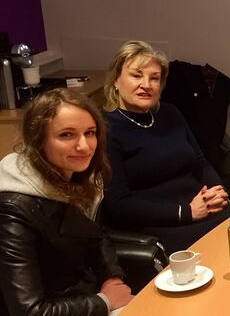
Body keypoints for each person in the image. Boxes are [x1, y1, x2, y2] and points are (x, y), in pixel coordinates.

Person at [0, 88, 132, 315]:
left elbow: (97, 234)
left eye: (90, 133)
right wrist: (103, 302)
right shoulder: (13, 207)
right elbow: (28, 310)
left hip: (87, 297)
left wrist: (112, 277)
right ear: (38, 140)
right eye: (66, 135)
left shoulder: (83, 176)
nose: (84, 146)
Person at [101, 40, 230, 254]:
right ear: (116, 79)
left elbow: (200, 162)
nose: (146, 84)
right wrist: (186, 212)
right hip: (161, 225)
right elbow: (118, 204)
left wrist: (218, 191)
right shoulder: (106, 129)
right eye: (136, 75)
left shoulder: (170, 113)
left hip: (203, 207)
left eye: (154, 78)